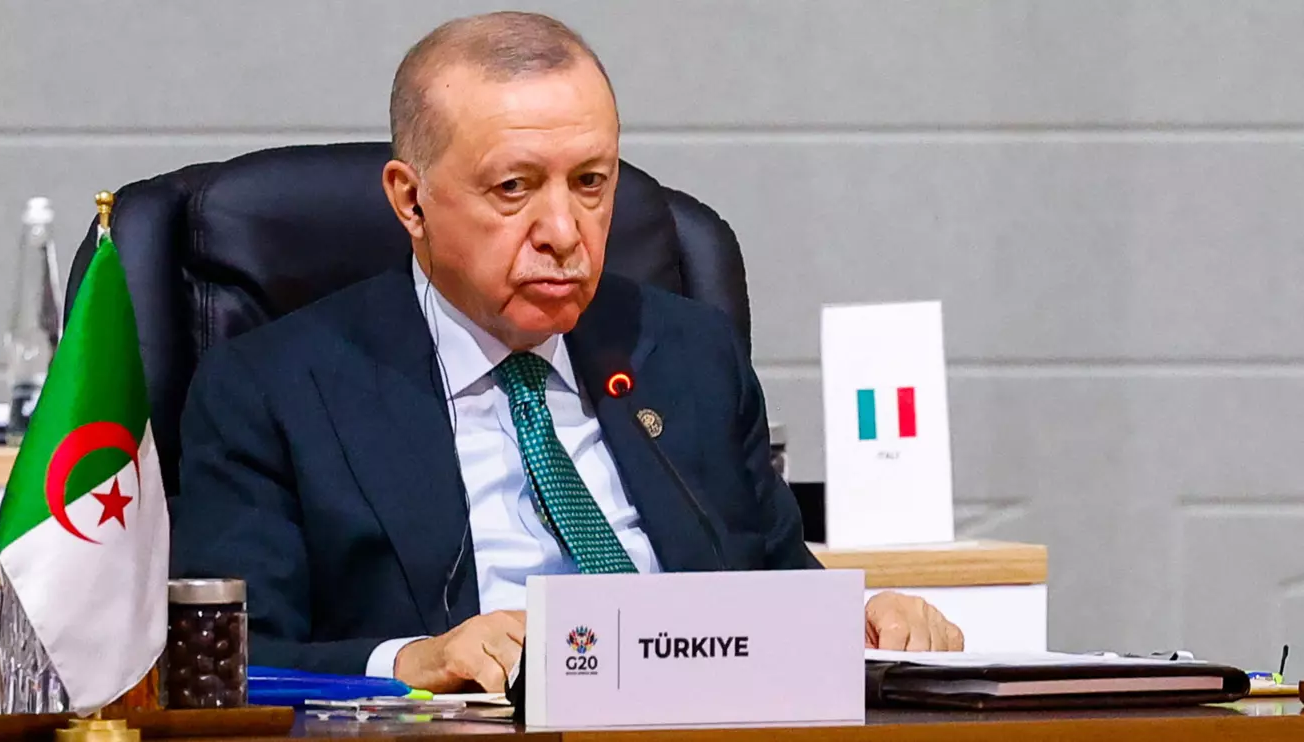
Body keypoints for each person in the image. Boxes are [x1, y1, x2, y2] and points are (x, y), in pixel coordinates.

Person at [170, 11, 963, 694]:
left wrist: (858, 618)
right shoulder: (273, 387)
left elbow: (773, 583)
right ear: (411, 200)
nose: (563, 231)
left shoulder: (687, 353)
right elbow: (229, 659)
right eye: (513, 188)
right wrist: (412, 659)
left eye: (590, 182)